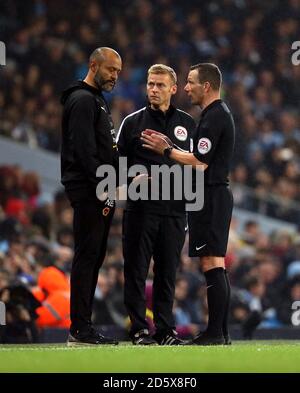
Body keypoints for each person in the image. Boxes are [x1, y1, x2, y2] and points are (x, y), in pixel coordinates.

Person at [141, 63, 235, 345]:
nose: (185, 87)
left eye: (191, 82)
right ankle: (221, 331)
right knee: (214, 263)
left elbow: (201, 162)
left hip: (211, 196)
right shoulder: (217, 114)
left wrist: (167, 150)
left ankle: (216, 332)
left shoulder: (213, 116)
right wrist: (173, 146)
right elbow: (199, 155)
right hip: (214, 196)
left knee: (212, 262)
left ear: (206, 86)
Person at [117, 64, 195, 345]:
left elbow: (197, 167)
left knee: (167, 274)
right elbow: (115, 168)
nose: (153, 89)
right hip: (140, 210)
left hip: (174, 211)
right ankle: (138, 329)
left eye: (160, 85)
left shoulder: (187, 124)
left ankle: (165, 330)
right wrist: (133, 179)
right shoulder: (132, 123)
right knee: (136, 271)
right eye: (150, 84)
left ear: (173, 89)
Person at [60, 47, 122, 345]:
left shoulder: (94, 100)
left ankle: (83, 326)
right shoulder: (83, 99)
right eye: (111, 69)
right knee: (87, 256)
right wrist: (108, 183)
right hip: (91, 190)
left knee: (93, 256)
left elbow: (100, 149)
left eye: (118, 72)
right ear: (93, 65)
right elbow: (84, 153)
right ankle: (79, 328)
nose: (115, 76)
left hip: (99, 189)